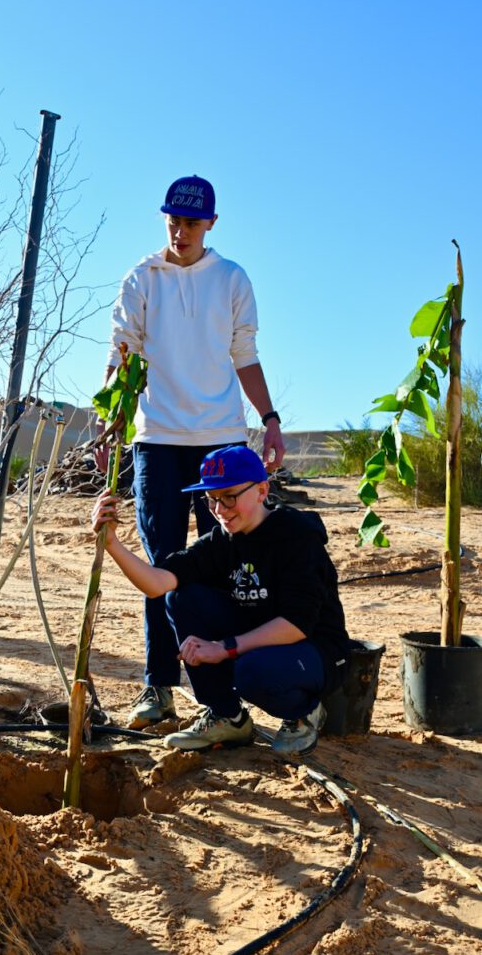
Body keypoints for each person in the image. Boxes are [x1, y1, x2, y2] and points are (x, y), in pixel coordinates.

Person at [96, 175, 286, 728]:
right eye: (172, 222)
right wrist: (112, 422)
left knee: (219, 563)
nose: (180, 232)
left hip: (220, 441)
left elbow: (245, 355)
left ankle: (217, 694)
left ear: (211, 224)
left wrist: (269, 420)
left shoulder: (231, 279)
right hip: (156, 439)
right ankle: (159, 686)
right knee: (161, 563)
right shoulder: (142, 278)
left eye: (191, 223)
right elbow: (122, 354)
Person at [92, 444, 350, 755]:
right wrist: (112, 544)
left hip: (313, 650)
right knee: (182, 598)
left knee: (252, 672)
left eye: (229, 497)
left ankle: (303, 713)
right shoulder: (222, 541)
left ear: (261, 490)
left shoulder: (296, 536)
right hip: (261, 641)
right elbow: (157, 585)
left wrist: (224, 648)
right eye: (212, 500)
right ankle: (228, 716)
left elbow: (297, 624)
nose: (220, 510)